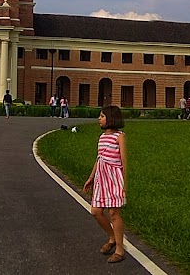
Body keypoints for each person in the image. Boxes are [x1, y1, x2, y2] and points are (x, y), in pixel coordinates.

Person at [83, 105, 129, 264]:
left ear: (111, 118)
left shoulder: (120, 136)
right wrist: (91, 176)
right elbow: (99, 158)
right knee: (96, 211)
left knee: (114, 213)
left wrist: (124, 184)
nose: (99, 119)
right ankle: (112, 237)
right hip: (101, 177)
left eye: (101, 116)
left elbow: (124, 161)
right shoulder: (102, 137)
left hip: (114, 177)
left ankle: (119, 249)